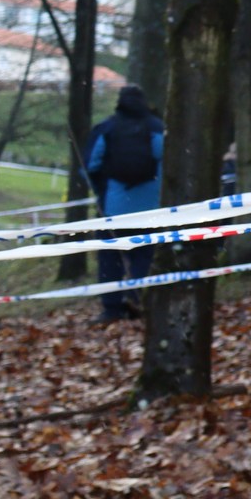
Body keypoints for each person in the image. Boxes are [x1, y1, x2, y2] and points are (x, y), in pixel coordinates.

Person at [84, 84, 164, 324]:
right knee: (144, 254)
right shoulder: (156, 128)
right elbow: (167, 161)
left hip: (113, 206)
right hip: (150, 206)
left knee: (110, 257)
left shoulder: (106, 128)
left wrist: (101, 189)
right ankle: (137, 298)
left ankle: (111, 308)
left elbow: (91, 165)